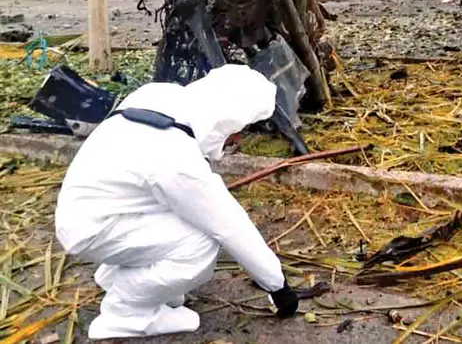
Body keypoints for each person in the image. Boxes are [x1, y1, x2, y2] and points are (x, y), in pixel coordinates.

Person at [55, 65, 298, 340]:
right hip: (93, 228)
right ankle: (126, 313)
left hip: (96, 210)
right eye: (240, 128)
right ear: (225, 119)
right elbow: (227, 224)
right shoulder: (175, 157)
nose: (239, 138)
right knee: (200, 245)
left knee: (183, 221)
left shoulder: (160, 97)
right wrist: (278, 286)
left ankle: (120, 279)